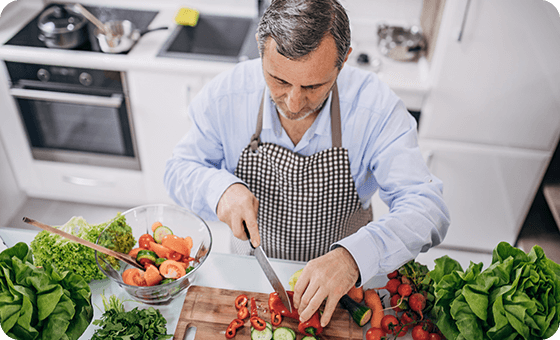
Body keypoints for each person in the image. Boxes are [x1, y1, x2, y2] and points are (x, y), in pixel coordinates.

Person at [164, 0, 450, 328]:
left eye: (313, 86)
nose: (294, 102)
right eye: (280, 80)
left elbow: (428, 208)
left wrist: (354, 257)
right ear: (261, 53)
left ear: (343, 60)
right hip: (252, 274)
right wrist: (219, 189)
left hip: (345, 288)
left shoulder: (376, 108)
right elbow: (179, 168)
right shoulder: (227, 95)